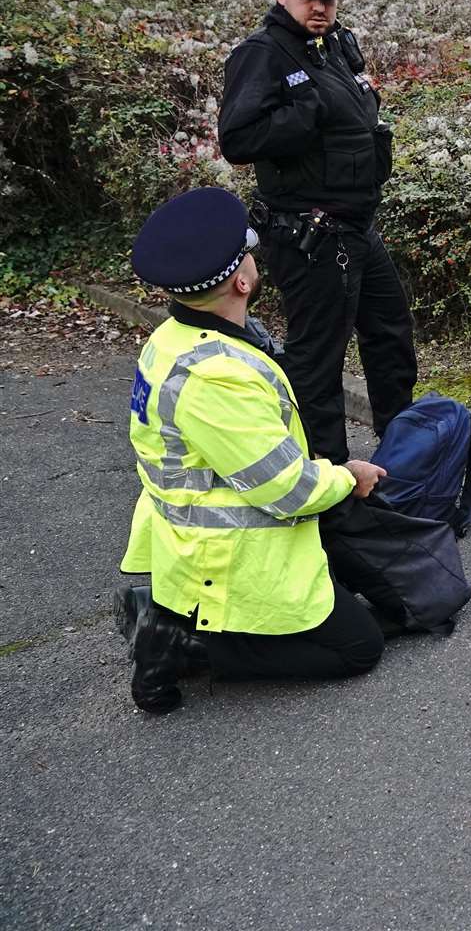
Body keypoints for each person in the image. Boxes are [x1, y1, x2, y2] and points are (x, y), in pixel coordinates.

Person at [117, 188, 387, 714]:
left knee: (352, 592)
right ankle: (179, 642)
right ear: (242, 281)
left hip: (185, 534)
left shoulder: (170, 338)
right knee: (359, 646)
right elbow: (284, 488)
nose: (253, 259)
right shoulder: (218, 378)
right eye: (249, 255)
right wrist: (347, 476)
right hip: (230, 551)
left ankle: (171, 617)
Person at [218, 0, 416, 465]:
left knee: (391, 339)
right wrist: (303, 113)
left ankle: (399, 464)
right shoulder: (261, 53)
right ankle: (329, 485)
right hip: (310, 236)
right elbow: (236, 140)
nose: (321, 7)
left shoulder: (336, 46)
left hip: (357, 227)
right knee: (318, 364)